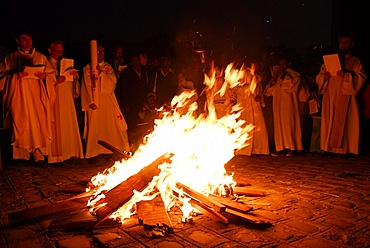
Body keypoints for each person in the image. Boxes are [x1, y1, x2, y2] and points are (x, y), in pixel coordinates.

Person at [0, 30, 56, 165]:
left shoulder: (40, 57)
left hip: (37, 96)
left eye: (29, 39)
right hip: (20, 96)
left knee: (38, 123)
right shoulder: (11, 58)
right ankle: (21, 156)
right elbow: (1, 77)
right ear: (18, 41)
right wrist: (15, 76)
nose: (27, 42)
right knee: (21, 122)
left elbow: (51, 76)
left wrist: (44, 78)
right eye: (24, 39)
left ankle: (39, 155)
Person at [316, 34, 367, 155]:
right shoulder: (330, 59)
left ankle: (346, 149)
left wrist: (346, 75)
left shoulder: (355, 61)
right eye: (341, 42)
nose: (343, 45)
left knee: (346, 122)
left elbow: (361, 78)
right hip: (331, 94)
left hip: (346, 96)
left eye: (346, 42)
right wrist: (324, 77)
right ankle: (329, 148)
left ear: (351, 44)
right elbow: (319, 76)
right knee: (330, 120)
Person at [81, 45, 130, 159]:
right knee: (95, 126)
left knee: (111, 126)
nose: (100, 53)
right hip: (94, 103)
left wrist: (101, 74)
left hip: (107, 100)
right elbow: (86, 86)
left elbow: (112, 84)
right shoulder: (87, 68)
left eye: (102, 51)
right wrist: (89, 101)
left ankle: (111, 151)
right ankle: (94, 153)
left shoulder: (108, 67)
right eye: (98, 51)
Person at [47, 40, 84, 163]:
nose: (59, 53)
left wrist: (74, 78)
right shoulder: (46, 64)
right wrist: (56, 81)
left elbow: (75, 89)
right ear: (50, 50)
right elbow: (42, 82)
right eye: (57, 51)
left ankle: (70, 153)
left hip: (67, 101)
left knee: (69, 126)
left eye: (61, 51)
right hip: (54, 101)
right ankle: (56, 157)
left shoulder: (65, 63)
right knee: (56, 128)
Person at [264, 57, 303, 157]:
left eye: (284, 64)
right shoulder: (277, 75)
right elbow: (268, 92)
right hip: (278, 105)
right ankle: (281, 147)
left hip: (289, 104)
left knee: (289, 125)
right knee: (279, 126)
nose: (282, 67)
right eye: (280, 65)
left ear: (288, 64)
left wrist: (283, 77)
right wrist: (273, 81)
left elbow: (292, 86)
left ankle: (293, 148)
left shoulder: (294, 74)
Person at [231, 63, 270, 156]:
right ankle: (244, 149)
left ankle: (258, 149)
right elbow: (235, 89)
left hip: (254, 103)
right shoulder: (238, 75)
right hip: (244, 104)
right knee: (245, 125)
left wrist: (259, 98)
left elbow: (258, 90)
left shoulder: (255, 76)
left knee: (258, 125)